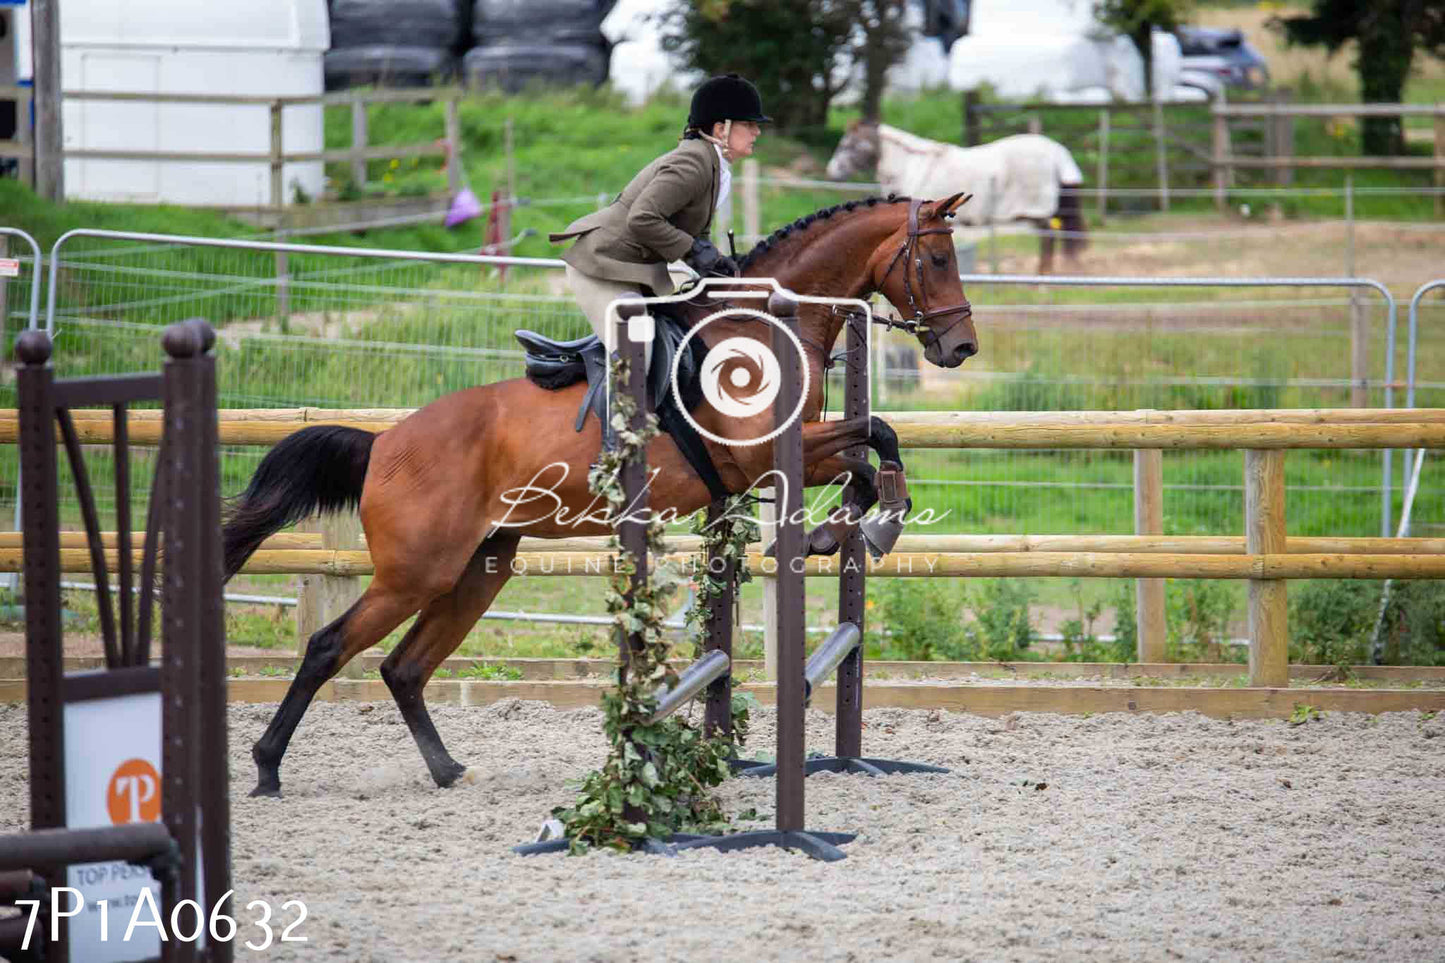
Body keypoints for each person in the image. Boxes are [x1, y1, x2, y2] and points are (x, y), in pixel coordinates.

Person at [549, 73, 769, 372]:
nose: (757, 131)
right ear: (721, 128)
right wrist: (693, 250)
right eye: (749, 124)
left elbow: (693, 233)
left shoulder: (715, 166)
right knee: (637, 352)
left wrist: (715, 262)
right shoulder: (692, 164)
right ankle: (627, 420)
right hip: (602, 267)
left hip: (634, 267)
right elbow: (643, 218)